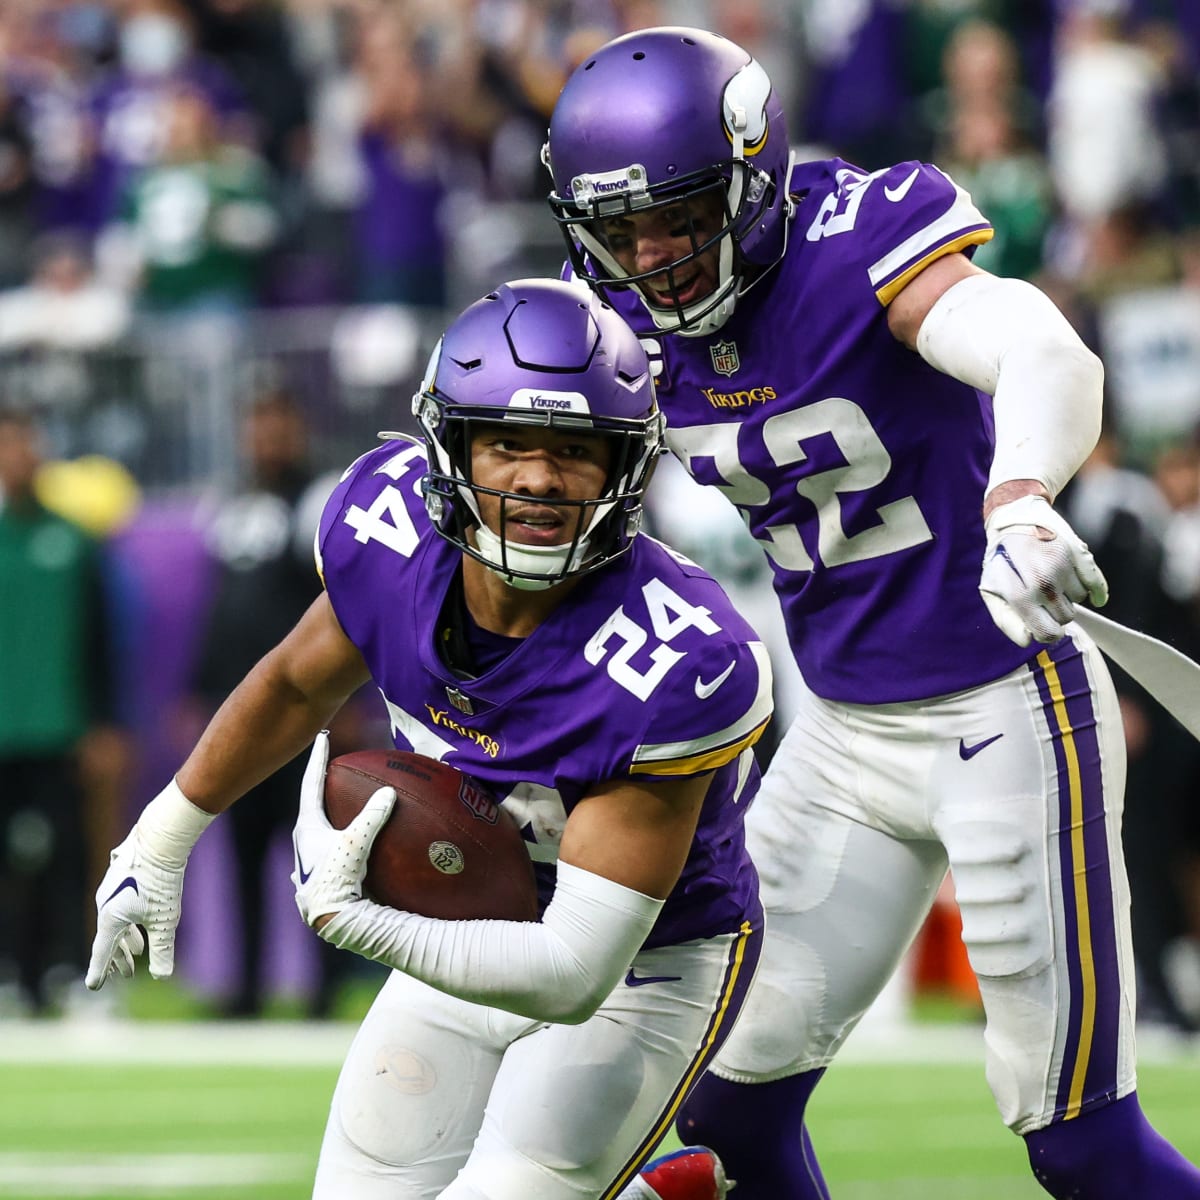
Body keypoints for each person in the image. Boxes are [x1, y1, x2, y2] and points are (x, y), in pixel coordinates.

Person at [541, 25, 1200, 1200]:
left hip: (1006, 710)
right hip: (845, 736)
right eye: (621, 228)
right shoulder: (626, 332)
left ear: (752, 173)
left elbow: (1048, 351)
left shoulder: (856, 240)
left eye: (681, 215)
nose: (655, 255)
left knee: (1081, 1146)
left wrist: (1020, 494)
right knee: (724, 1112)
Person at [84, 277, 774, 1200]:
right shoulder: (390, 528)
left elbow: (572, 974)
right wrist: (160, 839)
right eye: (507, 444)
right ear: (451, 446)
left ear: (627, 469)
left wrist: (357, 920)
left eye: (576, 451)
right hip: (473, 913)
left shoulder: (678, 655)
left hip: (646, 962)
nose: (537, 478)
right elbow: (295, 680)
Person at [184, 387, 345, 1017]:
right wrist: (199, 692)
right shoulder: (233, 505)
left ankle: (325, 989)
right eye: (258, 426)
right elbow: (220, 611)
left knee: (317, 850)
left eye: (279, 425)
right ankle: (245, 990)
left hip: (306, 710)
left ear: (299, 430)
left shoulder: (320, 500)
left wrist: (348, 698)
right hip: (239, 705)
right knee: (246, 850)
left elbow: (339, 607)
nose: (268, 439)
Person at [0, 408, 128, 1015]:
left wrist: (102, 722)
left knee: (70, 857)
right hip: (5, 730)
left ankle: (75, 973)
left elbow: (100, 639)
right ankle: (14, 977)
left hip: (58, 727)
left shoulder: (73, 540)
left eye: (26, 440)